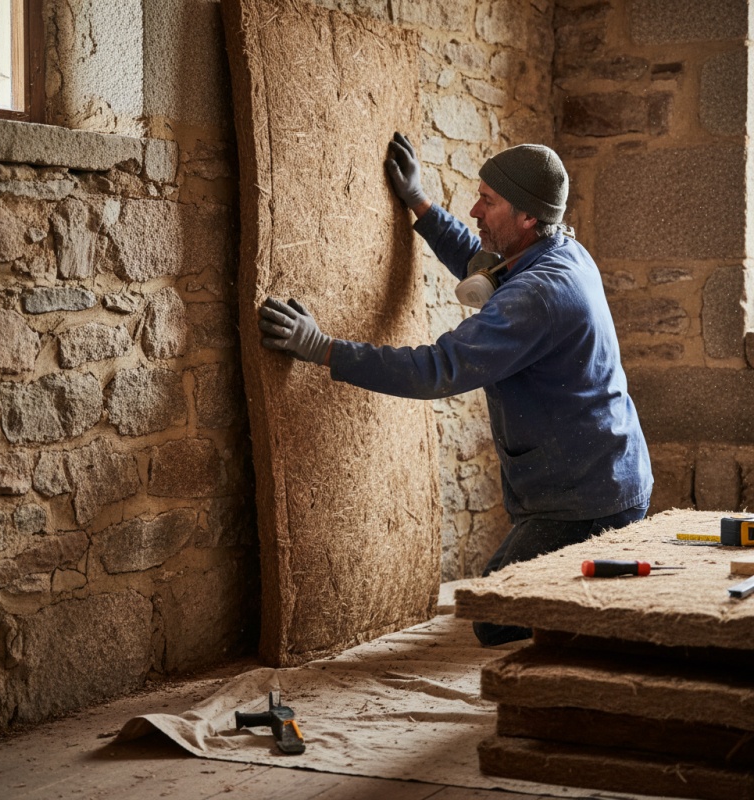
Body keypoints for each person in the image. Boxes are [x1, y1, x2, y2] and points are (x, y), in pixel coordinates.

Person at [258, 132, 653, 646]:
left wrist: (323, 348)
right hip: (595, 473)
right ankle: (598, 585)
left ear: (529, 216)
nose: (474, 208)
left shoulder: (539, 294)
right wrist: (420, 203)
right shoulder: (553, 250)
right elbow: (480, 264)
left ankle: (613, 606)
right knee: (509, 600)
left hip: (589, 497)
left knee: (492, 617)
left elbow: (437, 369)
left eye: (488, 201)